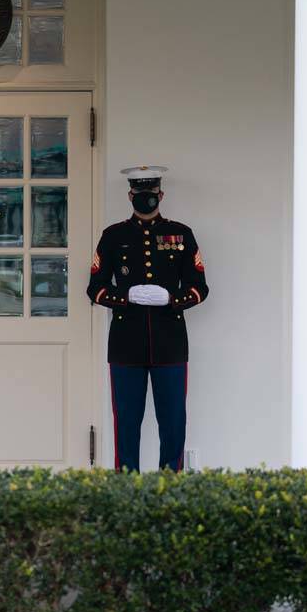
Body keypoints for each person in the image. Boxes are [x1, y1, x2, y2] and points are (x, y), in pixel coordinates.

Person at [86, 165, 208, 472]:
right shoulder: (113, 236)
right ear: (130, 196)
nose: (146, 199)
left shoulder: (181, 234)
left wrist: (172, 298)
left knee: (173, 421)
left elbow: (199, 287)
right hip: (126, 344)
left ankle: (170, 485)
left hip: (170, 343)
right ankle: (126, 488)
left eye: (151, 194)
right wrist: (125, 297)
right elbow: (95, 288)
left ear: (161, 195)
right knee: (126, 422)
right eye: (140, 194)